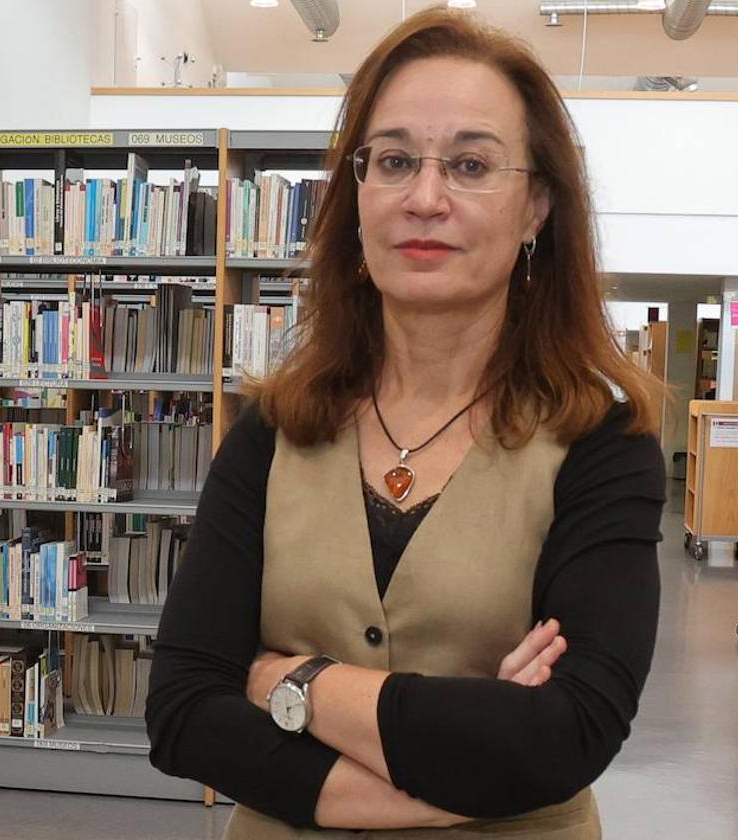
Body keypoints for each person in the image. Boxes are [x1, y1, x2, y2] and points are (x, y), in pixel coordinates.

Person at [146, 8, 665, 838]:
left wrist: (294, 682)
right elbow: (180, 711)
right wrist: (474, 750)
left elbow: (567, 735)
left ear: (535, 207)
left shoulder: (603, 448)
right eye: (393, 161)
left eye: (469, 164)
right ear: (357, 199)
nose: (426, 197)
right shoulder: (274, 430)